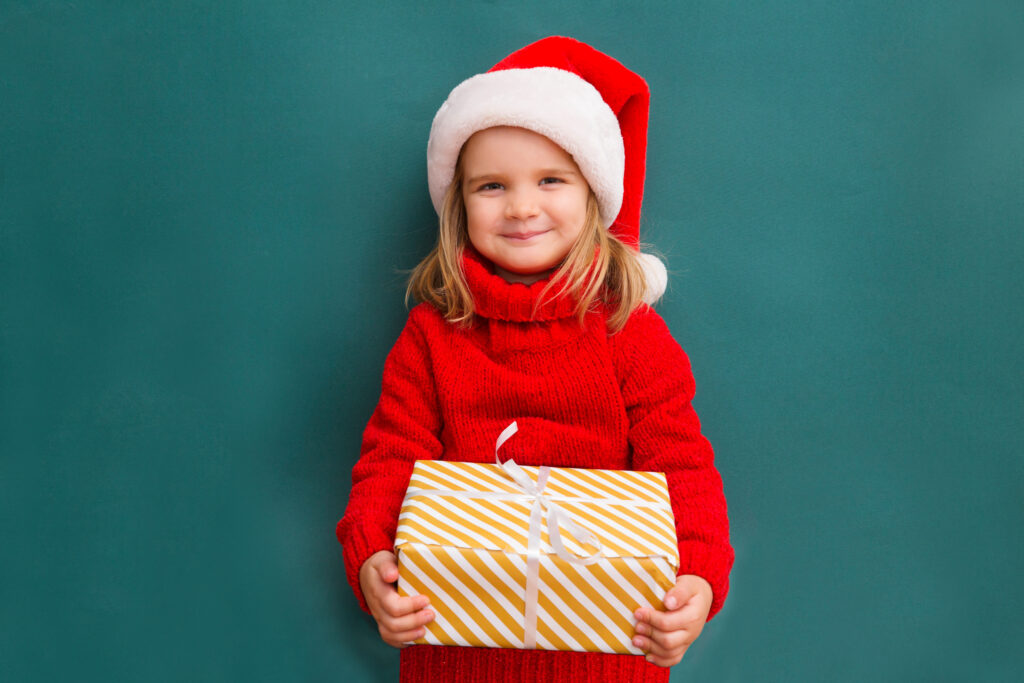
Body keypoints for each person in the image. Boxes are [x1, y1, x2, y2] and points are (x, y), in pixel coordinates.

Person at [336, 36, 733, 682]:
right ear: (459, 205)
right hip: (458, 656)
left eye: (551, 180)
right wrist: (371, 558)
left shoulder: (628, 334)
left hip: (605, 658)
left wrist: (698, 577)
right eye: (492, 186)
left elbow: (682, 466)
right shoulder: (432, 337)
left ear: (593, 194)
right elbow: (390, 458)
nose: (521, 207)